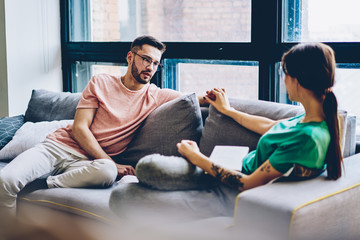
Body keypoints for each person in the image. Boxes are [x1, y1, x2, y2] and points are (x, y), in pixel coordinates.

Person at [0, 35, 205, 226]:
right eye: (145, 59)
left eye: (155, 63)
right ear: (130, 57)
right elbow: (80, 128)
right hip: (58, 147)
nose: (150, 67)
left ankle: (46, 183)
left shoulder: (156, 95)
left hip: (90, 164)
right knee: (5, 180)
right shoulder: (101, 82)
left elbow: (192, 98)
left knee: (106, 171)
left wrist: (217, 99)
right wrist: (112, 162)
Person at [177, 42, 343, 192]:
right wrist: (228, 110)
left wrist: (196, 157)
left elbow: (247, 184)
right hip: (233, 166)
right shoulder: (313, 121)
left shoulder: (307, 139)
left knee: (153, 167)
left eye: (285, 73)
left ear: (298, 79)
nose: (283, 80)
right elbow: (270, 126)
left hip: (230, 184)